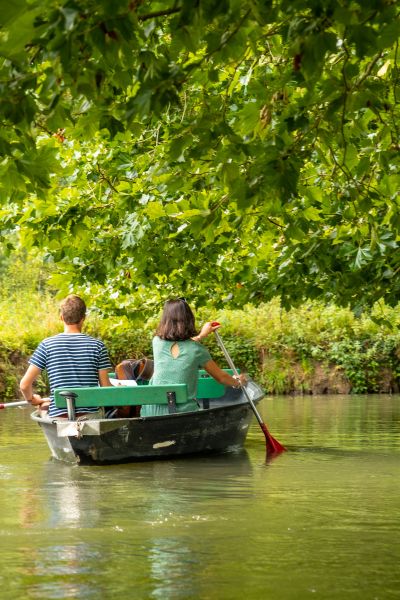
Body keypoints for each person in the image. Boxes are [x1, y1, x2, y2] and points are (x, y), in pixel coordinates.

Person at [141, 298, 247, 417]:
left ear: (165, 320)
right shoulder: (197, 350)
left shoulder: (157, 342)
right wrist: (238, 382)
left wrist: (201, 335)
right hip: (183, 414)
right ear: (189, 320)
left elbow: (182, 344)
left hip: (151, 412)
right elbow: (221, 377)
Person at [20, 294, 112, 419]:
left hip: (59, 417)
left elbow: (24, 385)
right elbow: (106, 388)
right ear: (83, 318)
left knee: (44, 405)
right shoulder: (98, 346)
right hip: (90, 417)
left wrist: (32, 400)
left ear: (61, 317)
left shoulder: (47, 345)